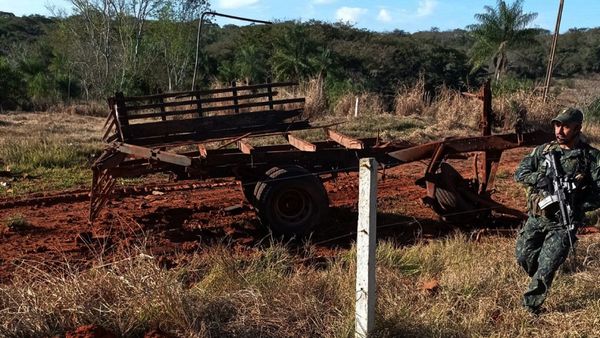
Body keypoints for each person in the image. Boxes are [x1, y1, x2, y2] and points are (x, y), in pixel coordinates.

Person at [514, 107, 600, 314]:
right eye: (557, 125)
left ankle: (530, 307)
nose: (560, 131)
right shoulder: (544, 151)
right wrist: (539, 179)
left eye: (566, 126)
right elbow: (520, 172)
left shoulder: (591, 157)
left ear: (578, 128)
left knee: (546, 266)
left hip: (563, 223)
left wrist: (577, 204)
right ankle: (542, 272)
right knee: (523, 257)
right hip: (538, 217)